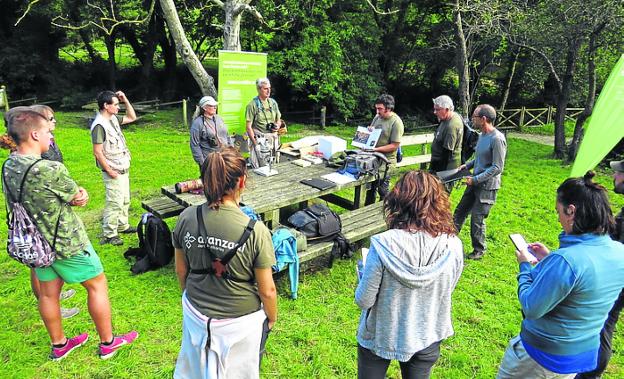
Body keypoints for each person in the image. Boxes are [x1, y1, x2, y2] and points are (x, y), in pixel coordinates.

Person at [2, 108, 137, 361]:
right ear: (33, 134)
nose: (50, 138)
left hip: (36, 244)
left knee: (47, 293)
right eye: (47, 133)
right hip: (66, 241)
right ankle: (108, 343)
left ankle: (60, 345)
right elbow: (76, 197)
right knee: (97, 285)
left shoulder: (9, 164)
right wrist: (81, 196)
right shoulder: (50, 169)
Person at [497, 171, 624, 378]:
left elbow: (531, 306)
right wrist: (549, 259)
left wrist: (525, 267)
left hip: (540, 357)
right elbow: (583, 286)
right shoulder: (619, 252)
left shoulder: (567, 261)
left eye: (558, 212)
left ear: (571, 211)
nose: (558, 220)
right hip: (576, 357)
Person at [173, 146, 278, 378]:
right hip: (241, 324)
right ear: (241, 182)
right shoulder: (257, 231)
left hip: (195, 313)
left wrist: (190, 295)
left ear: (204, 181)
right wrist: (271, 318)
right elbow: (267, 290)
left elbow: (181, 271)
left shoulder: (186, 218)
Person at [355, 170, 463, 379]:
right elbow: (448, 288)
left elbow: (364, 300)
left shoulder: (383, 244)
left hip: (381, 333)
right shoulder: (454, 245)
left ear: (398, 202)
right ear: (438, 202)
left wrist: (363, 277)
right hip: (427, 333)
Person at [575, 161, 624, 378]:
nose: (614, 175)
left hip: (615, 279)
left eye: (619, 172)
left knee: (603, 324)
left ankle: (590, 372)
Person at [29, 104, 77, 318]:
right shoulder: (31, 150)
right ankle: (47, 301)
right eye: (51, 119)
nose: (54, 122)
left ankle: (53, 295)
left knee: (48, 257)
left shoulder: (48, 141)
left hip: (53, 205)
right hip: (42, 211)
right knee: (38, 262)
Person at [453, 104, 507, 260]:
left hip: (487, 186)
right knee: (459, 212)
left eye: (475, 117)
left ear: (484, 119)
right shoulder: (482, 135)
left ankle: (479, 250)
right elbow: (479, 157)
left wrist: (475, 179)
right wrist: (467, 165)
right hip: (474, 182)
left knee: (477, 219)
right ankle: (447, 241)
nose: (472, 119)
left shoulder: (497, 139)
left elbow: (497, 167)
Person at [90, 90, 137, 246]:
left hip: (123, 166)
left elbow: (132, 117)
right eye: (116, 104)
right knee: (114, 202)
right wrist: (109, 170)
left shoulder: (113, 119)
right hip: (113, 170)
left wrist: (125, 100)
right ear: (106, 105)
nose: (118, 107)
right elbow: (97, 152)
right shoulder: (99, 126)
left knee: (125, 199)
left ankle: (122, 225)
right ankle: (110, 233)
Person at [367, 94, 404, 200]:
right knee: (370, 188)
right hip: (373, 158)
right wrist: (369, 130)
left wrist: (375, 149)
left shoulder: (396, 122)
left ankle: (386, 211)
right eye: (376, 108)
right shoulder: (377, 117)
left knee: (383, 190)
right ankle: (366, 210)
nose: (377, 111)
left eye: (380, 109)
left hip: (386, 161)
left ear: (388, 108)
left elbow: (394, 145)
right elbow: (373, 130)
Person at [245, 78, 285, 168]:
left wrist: (277, 125)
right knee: (260, 166)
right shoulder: (252, 105)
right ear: (259, 89)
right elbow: (248, 127)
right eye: (265, 88)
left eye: (269, 88)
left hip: (273, 138)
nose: (268, 91)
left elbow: (278, 119)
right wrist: (255, 144)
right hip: (260, 140)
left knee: (273, 165)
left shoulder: (273, 103)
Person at [190, 95, 231, 171]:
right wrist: (202, 162)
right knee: (211, 181)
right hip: (209, 160)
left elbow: (227, 136)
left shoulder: (219, 118)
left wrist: (231, 152)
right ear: (204, 108)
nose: (215, 107)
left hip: (225, 158)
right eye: (212, 105)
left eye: (215, 105)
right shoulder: (197, 123)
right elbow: (194, 144)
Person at [430, 95, 463, 173]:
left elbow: (447, 154)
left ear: (447, 109)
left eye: (437, 109)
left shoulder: (452, 126)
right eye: (434, 109)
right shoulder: (445, 118)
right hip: (437, 161)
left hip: (446, 167)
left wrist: (440, 174)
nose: (435, 112)